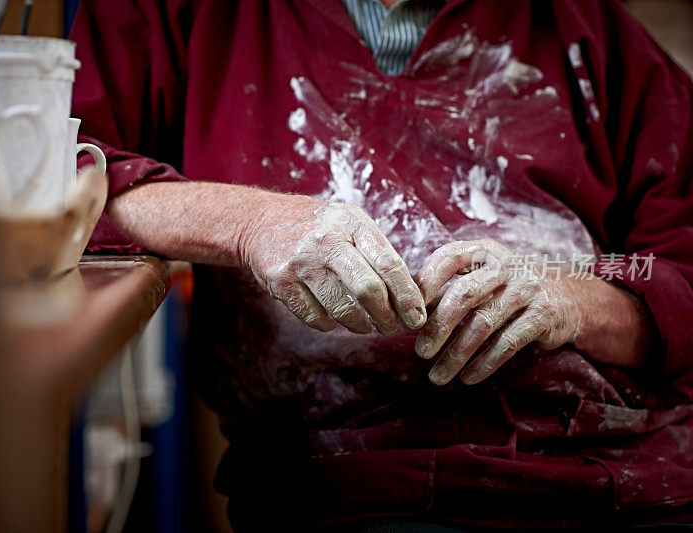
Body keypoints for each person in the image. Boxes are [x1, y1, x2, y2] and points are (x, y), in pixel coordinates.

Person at [69, 0, 693, 530]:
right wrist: (250, 225)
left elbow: (684, 269)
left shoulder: (588, 27)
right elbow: (59, 171)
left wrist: (572, 304)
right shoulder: (179, 14)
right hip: (353, 482)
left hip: (626, 470)